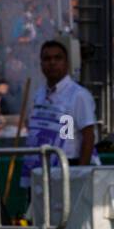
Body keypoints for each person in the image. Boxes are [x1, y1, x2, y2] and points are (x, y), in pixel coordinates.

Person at [21, 39, 99, 187]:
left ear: (66, 63)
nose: (52, 63)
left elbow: (88, 136)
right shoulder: (39, 95)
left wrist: (79, 175)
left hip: (68, 166)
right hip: (41, 170)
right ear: (41, 64)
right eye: (47, 59)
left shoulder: (78, 95)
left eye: (58, 58)